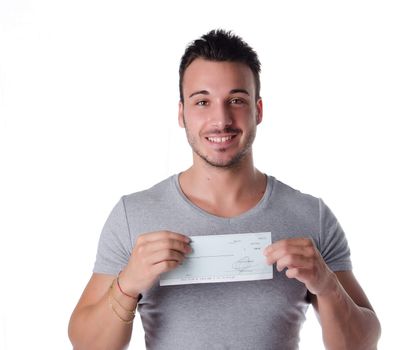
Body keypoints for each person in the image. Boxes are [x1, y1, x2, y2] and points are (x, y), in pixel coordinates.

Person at [68, 29, 381, 350]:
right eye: (202, 101)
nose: (221, 119)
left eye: (236, 100)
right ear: (182, 113)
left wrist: (327, 285)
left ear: (258, 110)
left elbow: (362, 345)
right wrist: (127, 284)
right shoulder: (133, 216)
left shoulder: (310, 216)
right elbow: (86, 344)